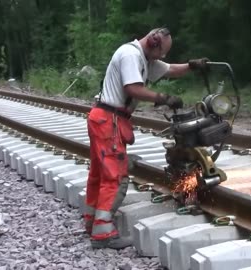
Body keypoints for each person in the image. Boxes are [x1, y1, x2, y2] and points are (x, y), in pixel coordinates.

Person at [85, 27, 209, 249]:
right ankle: (103, 233)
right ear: (153, 43)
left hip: (103, 118)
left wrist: (191, 66)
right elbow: (132, 88)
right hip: (109, 121)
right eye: (160, 53)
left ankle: (91, 221)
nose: (160, 58)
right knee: (115, 176)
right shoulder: (131, 55)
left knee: (99, 173)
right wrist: (163, 97)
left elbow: (170, 70)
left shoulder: (144, 57)